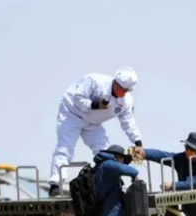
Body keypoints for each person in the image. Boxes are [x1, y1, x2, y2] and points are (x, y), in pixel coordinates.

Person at [48, 68, 144, 197]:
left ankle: (113, 181)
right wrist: (95, 104)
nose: (120, 92)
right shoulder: (95, 81)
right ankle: (55, 185)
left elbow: (129, 122)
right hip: (72, 114)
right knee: (65, 147)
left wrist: (138, 143)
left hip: (93, 123)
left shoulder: (126, 102)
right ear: (115, 82)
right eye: (119, 87)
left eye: (124, 90)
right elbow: (77, 98)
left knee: (105, 152)